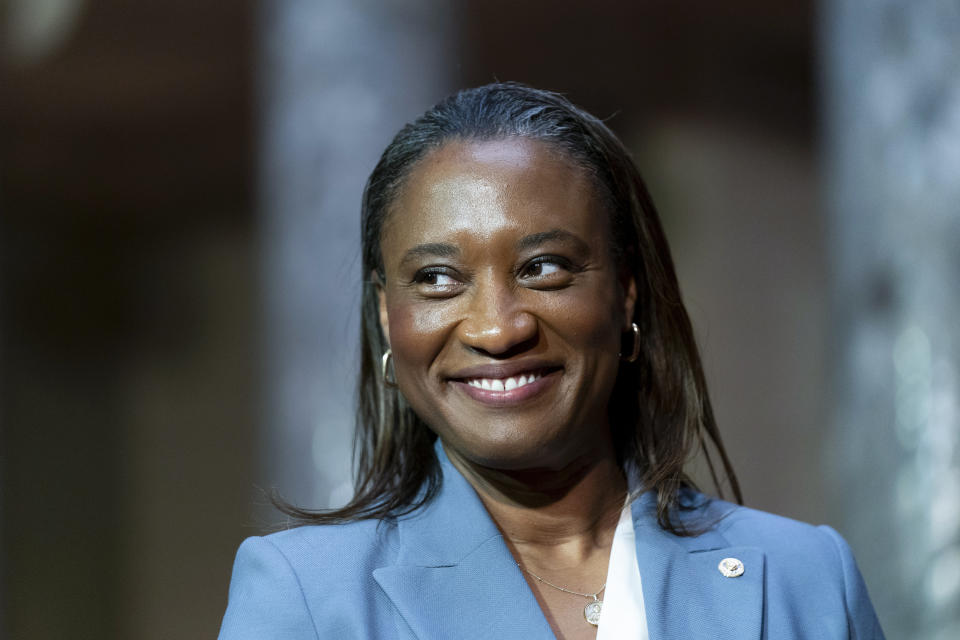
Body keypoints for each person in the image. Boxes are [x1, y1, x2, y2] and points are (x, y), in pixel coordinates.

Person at [218, 83, 884, 639]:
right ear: (387, 311)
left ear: (625, 290)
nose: (497, 329)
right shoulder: (305, 599)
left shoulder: (806, 576)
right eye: (438, 279)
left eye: (544, 268)